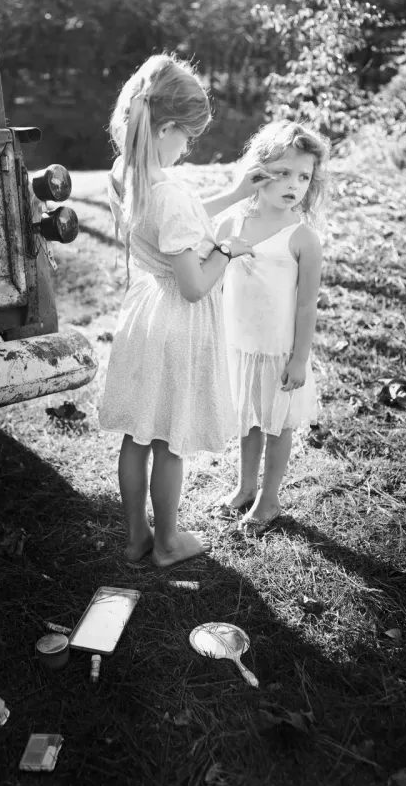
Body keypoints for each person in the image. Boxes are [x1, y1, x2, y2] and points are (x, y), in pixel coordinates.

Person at [99, 53, 271, 568]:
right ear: (167, 128)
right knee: (170, 440)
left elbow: (179, 223)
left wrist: (236, 193)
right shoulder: (169, 190)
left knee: (138, 435)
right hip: (177, 318)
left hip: (144, 314)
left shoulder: (124, 171)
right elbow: (195, 285)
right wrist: (227, 250)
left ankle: (136, 540)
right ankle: (169, 543)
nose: (187, 146)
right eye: (187, 137)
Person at [212, 120, 328, 535]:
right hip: (242, 343)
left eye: (303, 176)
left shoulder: (303, 238)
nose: (293, 184)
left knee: (278, 424)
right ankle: (246, 486)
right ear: (258, 171)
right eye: (283, 173)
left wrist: (299, 359)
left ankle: (270, 497)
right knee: (249, 419)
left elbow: (305, 306)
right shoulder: (233, 223)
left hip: (281, 350)